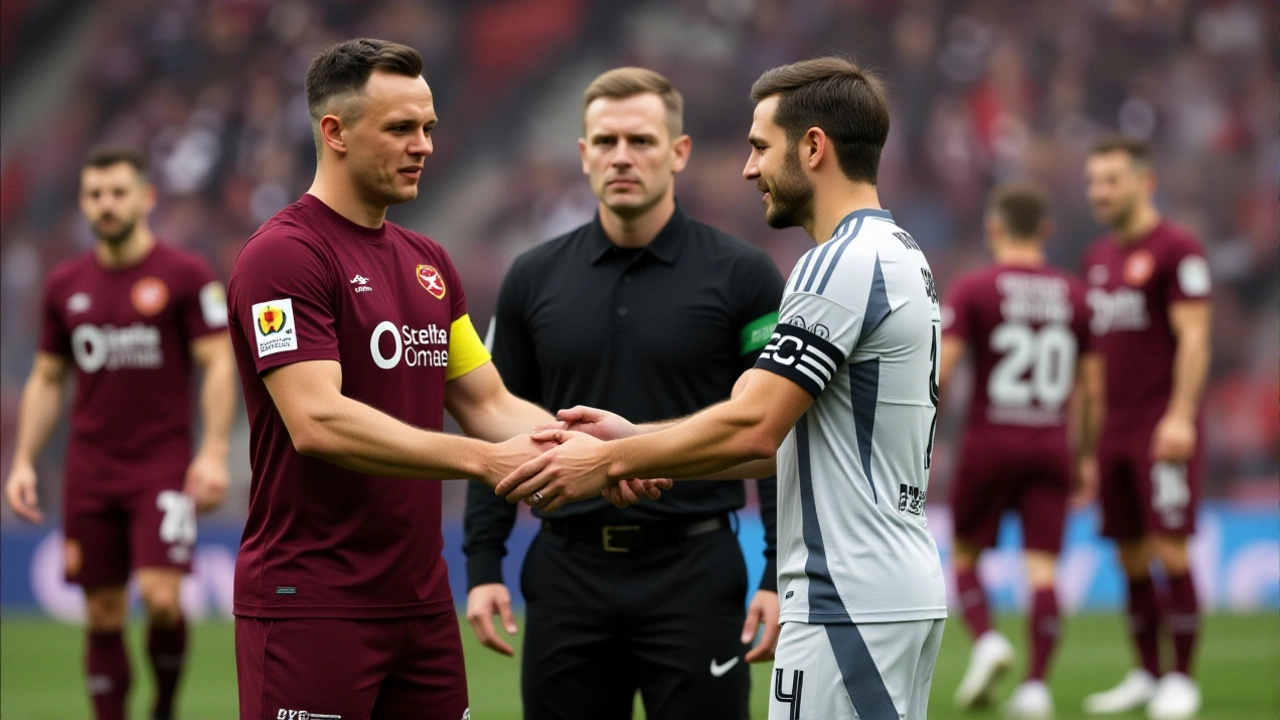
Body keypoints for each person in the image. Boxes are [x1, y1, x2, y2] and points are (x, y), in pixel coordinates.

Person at [497, 56, 948, 720]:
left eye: (761, 146)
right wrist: (637, 437)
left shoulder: (837, 262)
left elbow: (754, 425)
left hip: (847, 595)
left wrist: (609, 460)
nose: (747, 168)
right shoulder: (897, 250)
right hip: (884, 585)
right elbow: (783, 443)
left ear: (814, 147)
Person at [224, 39, 658, 720]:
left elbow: (486, 401)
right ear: (334, 132)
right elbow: (316, 420)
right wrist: (483, 462)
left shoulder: (430, 264)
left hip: (421, 604)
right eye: (400, 128)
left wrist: (598, 454)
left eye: (427, 127)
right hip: (313, 601)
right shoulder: (283, 257)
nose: (423, 145)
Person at [462, 67, 785, 720]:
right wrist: (483, 563)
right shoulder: (531, 278)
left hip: (695, 568)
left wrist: (778, 575)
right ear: (583, 155)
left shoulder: (745, 276)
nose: (622, 157)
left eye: (640, 140)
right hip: (566, 571)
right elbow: (491, 419)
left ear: (679, 151)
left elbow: (772, 430)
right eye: (605, 142)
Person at [4, 147, 236, 720]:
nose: (106, 205)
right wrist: (25, 461)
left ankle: (161, 706)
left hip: (162, 462)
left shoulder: (184, 275)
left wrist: (212, 452)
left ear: (145, 198)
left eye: (117, 192)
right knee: (103, 613)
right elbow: (48, 378)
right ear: (84, 203)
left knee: (161, 599)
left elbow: (219, 362)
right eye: (95, 195)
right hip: (89, 468)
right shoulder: (65, 285)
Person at [937, 183, 1102, 718]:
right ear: (1047, 232)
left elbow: (941, 369)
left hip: (989, 442)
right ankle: (1035, 687)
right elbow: (1092, 389)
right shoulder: (1077, 296)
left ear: (994, 229)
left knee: (964, 554)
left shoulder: (976, 289)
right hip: (1051, 443)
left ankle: (987, 640)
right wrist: (1083, 457)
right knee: (1043, 569)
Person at [1078, 135, 1211, 720]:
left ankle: (1181, 679)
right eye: (1094, 182)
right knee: (1129, 556)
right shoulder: (1098, 260)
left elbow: (1197, 337)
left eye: (1111, 180)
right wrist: (1087, 445)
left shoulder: (1178, 249)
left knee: (1170, 551)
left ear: (1143, 182)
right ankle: (1145, 673)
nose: (1099, 193)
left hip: (1162, 427)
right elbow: (1094, 362)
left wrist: (1181, 415)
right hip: (1114, 432)